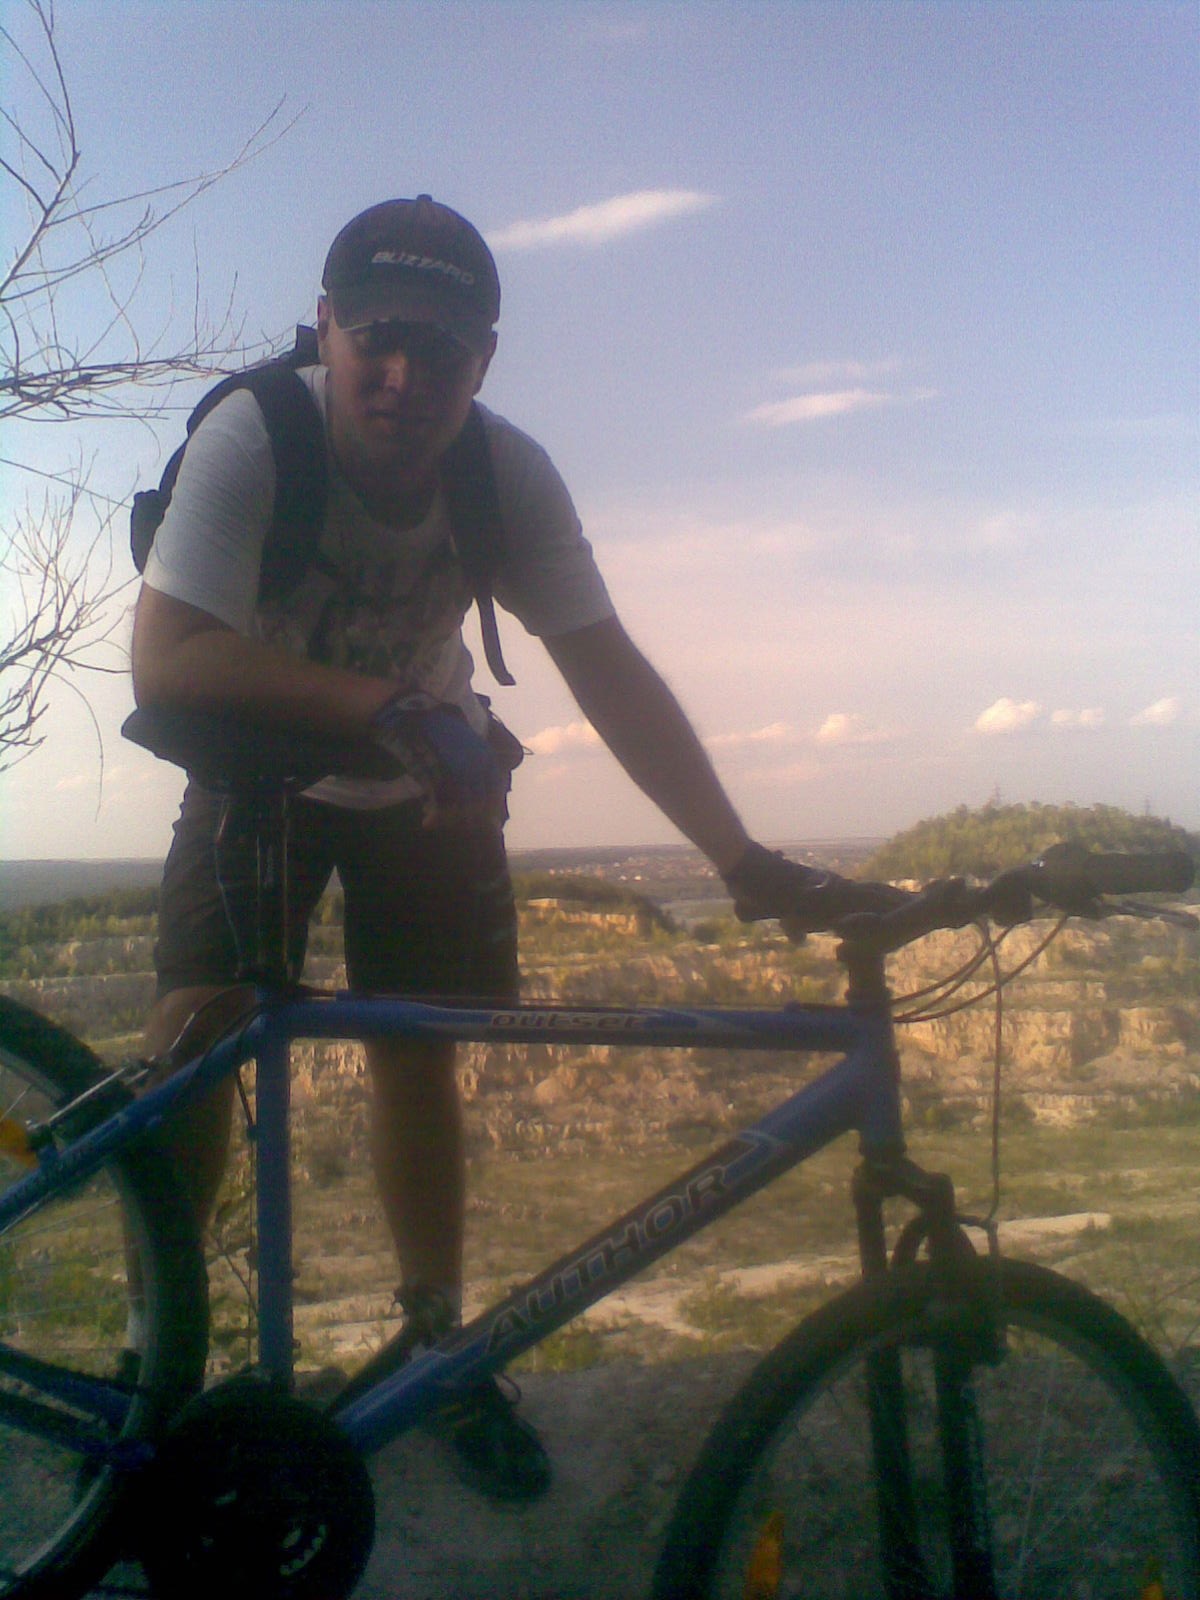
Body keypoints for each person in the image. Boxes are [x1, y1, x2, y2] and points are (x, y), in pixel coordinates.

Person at [131, 194, 886, 1501]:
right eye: (376, 336)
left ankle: (439, 1351)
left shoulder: (505, 475)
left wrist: (737, 858)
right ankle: (158, 1366)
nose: (402, 373)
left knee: (418, 1048)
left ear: (483, 360)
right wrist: (388, 708)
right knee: (194, 1039)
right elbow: (169, 656)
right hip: (264, 759)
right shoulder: (256, 435)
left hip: (424, 772)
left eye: (439, 347)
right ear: (326, 327)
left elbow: (610, 672)